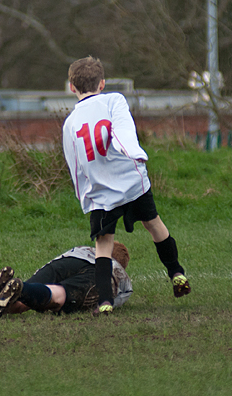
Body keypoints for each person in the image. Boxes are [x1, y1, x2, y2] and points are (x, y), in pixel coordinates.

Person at [61, 56, 190, 315]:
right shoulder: (114, 99)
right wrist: (134, 151)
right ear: (102, 84)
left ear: (72, 87)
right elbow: (123, 130)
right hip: (131, 181)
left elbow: (74, 164)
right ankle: (176, 272)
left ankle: (105, 301)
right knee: (154, 223)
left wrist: (83, 195)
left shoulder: (71, 122)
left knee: (103, 243)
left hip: (100, 192)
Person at [0, 242, 133, 319]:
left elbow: (55, 263)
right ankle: (22, 289)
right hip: (97, 272)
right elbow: (116, 299)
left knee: (28, 297)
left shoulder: (84, 248)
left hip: (69, 260)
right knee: (57, 297)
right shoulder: (119, 272)